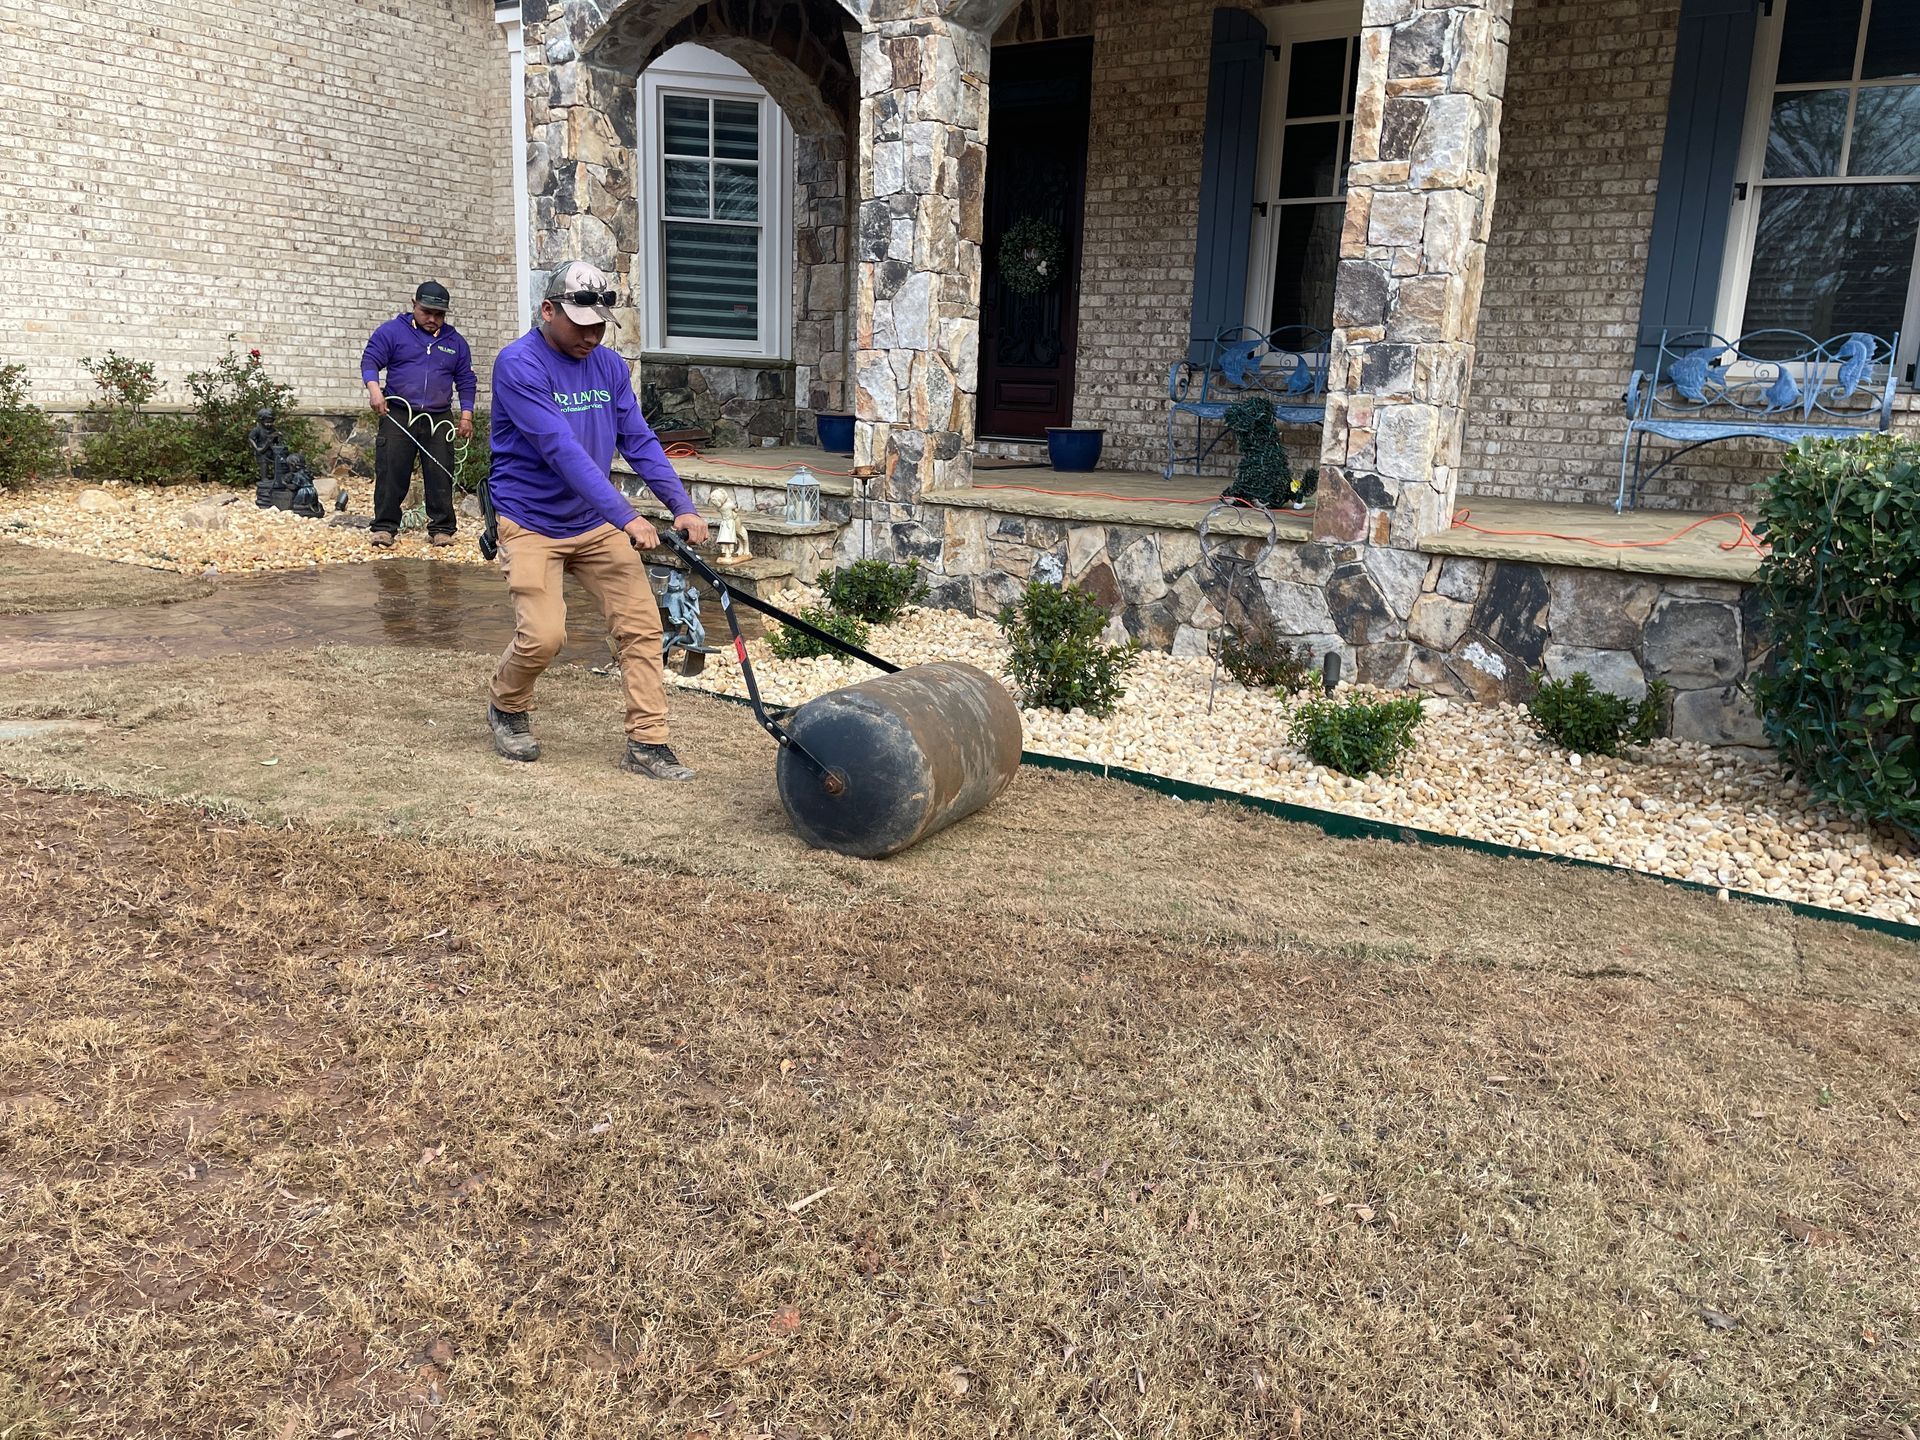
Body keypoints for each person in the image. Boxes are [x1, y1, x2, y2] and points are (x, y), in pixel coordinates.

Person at [483, 261, 712, 781]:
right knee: (544, 636)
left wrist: (682, 505)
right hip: (530, 520)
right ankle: (507, 702)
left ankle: (648, 743)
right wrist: (628, 517)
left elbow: (639, 441)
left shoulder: (608, 367)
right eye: (579, 324)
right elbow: (561, 451)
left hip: (591, 521)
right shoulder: (519, 365)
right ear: (547, 311)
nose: (591, 334)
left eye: (598, 324)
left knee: (641, 627)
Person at [360, 280, 477, 549]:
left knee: (440, 472)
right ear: (414, 305)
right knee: (391, 470)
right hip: (398, 412)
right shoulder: (392, 332)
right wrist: (375, 390)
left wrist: (466, 416)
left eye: (439, 315)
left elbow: (466, 380)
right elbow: (370, 360)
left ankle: (442, 528)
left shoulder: (455, 342)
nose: (433, 319)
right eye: (427, 312)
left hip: (438, 416)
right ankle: (384, 527)